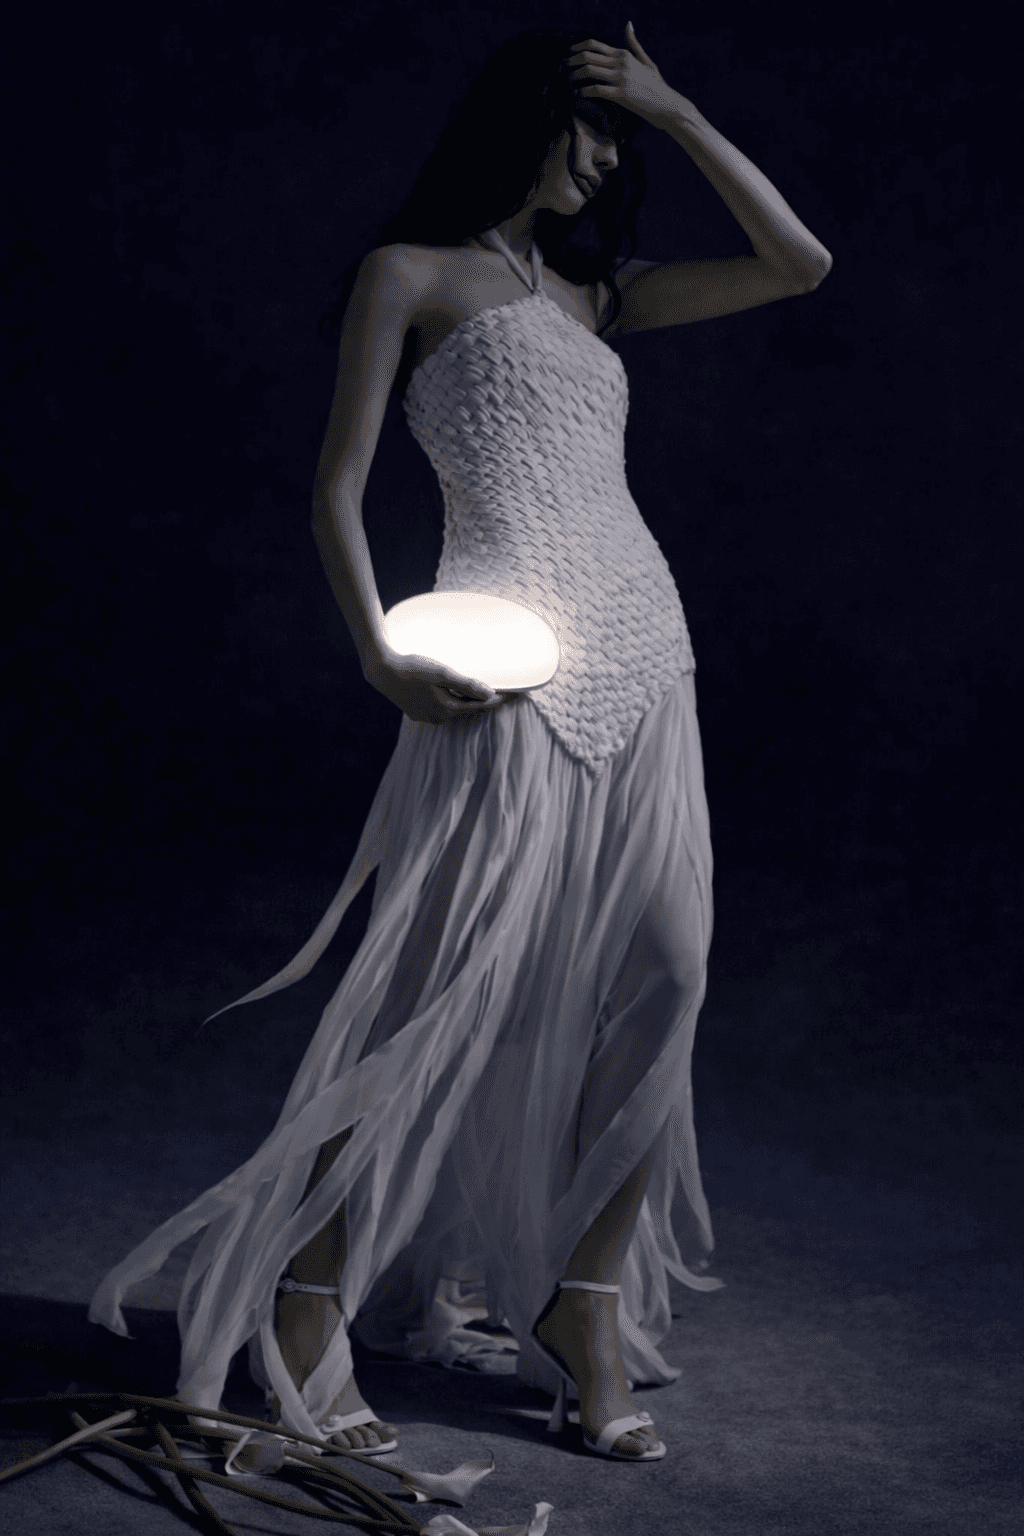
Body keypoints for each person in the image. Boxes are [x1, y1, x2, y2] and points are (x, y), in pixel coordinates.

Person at [89, 22, 832, 1467]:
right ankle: (309, 1295)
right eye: (591, 125)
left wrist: (676, 108)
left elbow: (800, 264)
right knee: (441, 996)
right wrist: (382, 650)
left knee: (671, 976)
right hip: (506, 671)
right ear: (523, 122)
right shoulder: (410, 275)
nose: (605, 157)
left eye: (618, 136)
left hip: (651, 656)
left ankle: (584, 1305)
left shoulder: (601, 295)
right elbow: (338, 488)